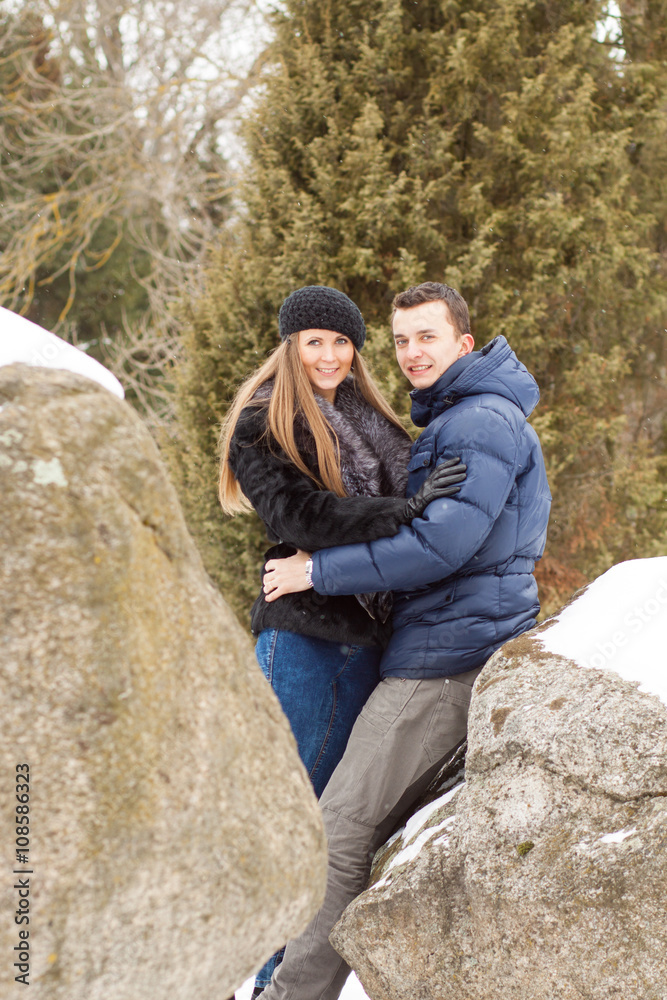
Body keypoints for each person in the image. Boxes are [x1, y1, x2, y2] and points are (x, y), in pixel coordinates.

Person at [258, 281, 552, 1000]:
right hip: (440, 644)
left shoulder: (478, 421)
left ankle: (288, 994)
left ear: (462, 340)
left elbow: (442, 545)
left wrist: (315, 571)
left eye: (427, 336)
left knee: (338, 828)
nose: (412, 353)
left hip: (442, 660)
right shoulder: (461, 416)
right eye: (400, 341)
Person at [218, 285, 466, 998]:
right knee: (297, 823)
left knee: (334, 825)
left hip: (368, 646)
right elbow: (306, 516)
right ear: (291, 348)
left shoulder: (369, 418)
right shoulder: (265, 421)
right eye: (313, 342)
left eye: (341, 342)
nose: (328, 355)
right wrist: (404, 511)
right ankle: (265, 980)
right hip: (305, 642)